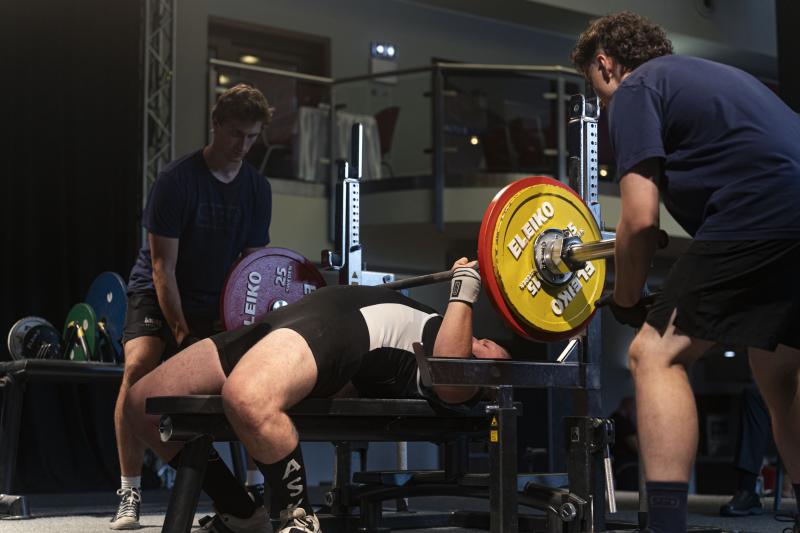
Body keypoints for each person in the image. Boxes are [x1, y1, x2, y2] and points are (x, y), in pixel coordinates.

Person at [571, 11, 800, 533]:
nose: (601, 102)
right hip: (787, 210)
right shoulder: (714, 77)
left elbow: (639, 220)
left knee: (655, 354)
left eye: (594, 88)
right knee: (778, 368)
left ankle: (667, 526)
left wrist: (627, 299)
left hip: (759, 209)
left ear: (604, 65)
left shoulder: (635, 90)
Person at [123, 260, 510, 533]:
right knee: (140, 404)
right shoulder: (442, 331)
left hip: (335, 330)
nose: (487, 342)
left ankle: (298, 516)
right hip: (291, 318)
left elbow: (453, 378)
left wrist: (463, 291)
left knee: (247, 397)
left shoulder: (452, 369)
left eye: (494, 351)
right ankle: (240, 512)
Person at [111, 84, 274, 530]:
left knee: (252, 374)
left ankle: (253, 487)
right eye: (235, 133)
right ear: (216, 125)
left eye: (251, 137)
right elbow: (163, 267)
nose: (242, 146)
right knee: (137, 371)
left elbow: (251, 267)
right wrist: (183, 336)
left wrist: (243, 325)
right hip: (157, 290)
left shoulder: (257, 189)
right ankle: (129, 491)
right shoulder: (177, 180)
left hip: (217, 296)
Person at [609, 396, 639, 491]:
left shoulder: (612, 419)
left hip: (619, 465)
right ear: (629, 406)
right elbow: (634, 445)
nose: (634, 412)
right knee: (631, 496)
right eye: (633, 408)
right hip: (628, 467)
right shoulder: (623, 421)